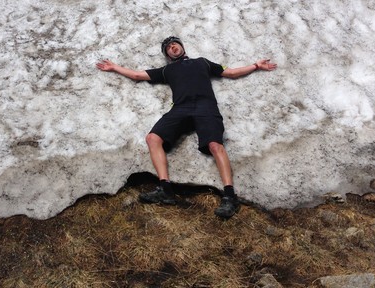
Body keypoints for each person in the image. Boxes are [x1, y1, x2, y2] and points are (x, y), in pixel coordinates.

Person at [96, 36, 277, 218]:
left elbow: (230, 72)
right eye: (168, 47)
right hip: (181, 108)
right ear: (167, 55)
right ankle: (165, 189)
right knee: (152, 138)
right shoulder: (167, 70)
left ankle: (230, 197)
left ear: (182, 47)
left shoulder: (202, 63)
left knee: (215, 145)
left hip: (206, 108)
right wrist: (114, 67)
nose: (172, 47)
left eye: (175, 44)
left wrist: (256, 65)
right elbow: (137, 75)